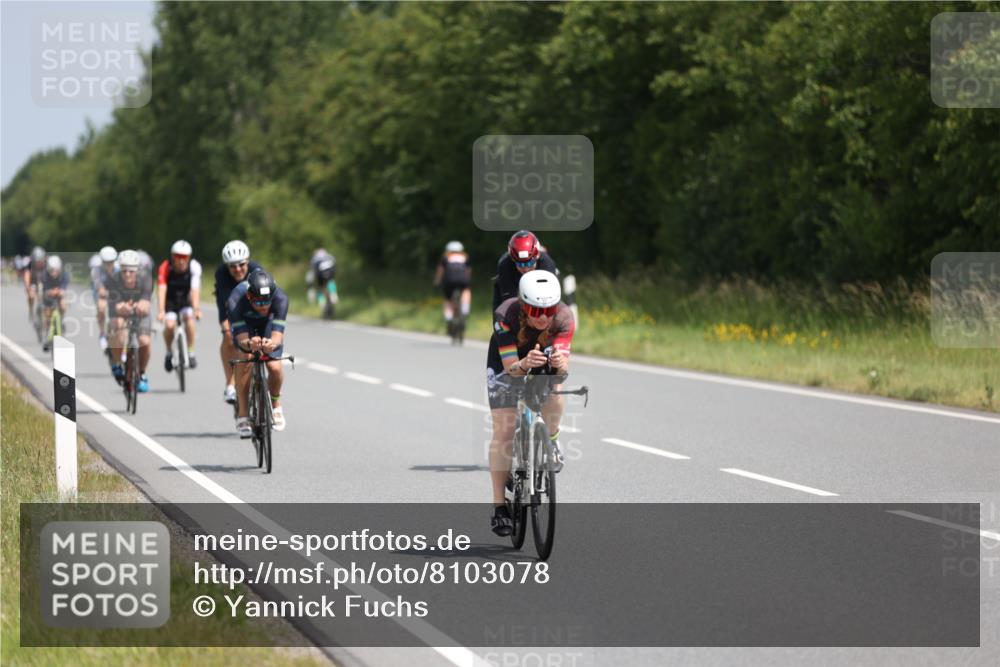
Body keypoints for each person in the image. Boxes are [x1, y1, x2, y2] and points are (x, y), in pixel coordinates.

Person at [485, 270, 575, 536]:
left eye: (549, 309)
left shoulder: (564, 318)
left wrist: (560, 365)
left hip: (541, 357)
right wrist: (524, 364)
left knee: (556, 388)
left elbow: (563, 369)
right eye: (536, 311)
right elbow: (511, 368)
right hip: (508, 361)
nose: (545, 316)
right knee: (503, 432)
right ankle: (499, 506)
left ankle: (552, 438)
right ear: (524, 305)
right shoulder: (505, 315)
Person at [227, 269, 289, 436]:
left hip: (267, 326)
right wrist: (249, 343)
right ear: (249, 296)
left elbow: (277, 337)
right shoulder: (235, 300)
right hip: (246, 328)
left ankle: (276, 405)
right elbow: (242, 340)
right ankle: (243, 414)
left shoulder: (281, 299)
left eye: (267, 302)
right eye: (258, 302)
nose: (263, 306)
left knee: (275, 367)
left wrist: (271, 344)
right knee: (246, 357)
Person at [214, 240, 263, 404]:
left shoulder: (257, 270)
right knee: (228, 337)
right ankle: (230, 384)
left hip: (255, 309)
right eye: (232, 266)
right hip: (230, 308)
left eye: (241, 264)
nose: (237, 269)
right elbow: (229, 303)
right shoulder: (221, 274)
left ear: (247, 261)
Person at [106, 250, 153, 392]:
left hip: (140, 312)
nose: (127, 274)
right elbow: (116, 306)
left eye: (131, 271)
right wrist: (123, 308)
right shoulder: (113, 280)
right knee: (117, 326)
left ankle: (142, 373)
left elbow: (146, 304)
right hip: (120, 311)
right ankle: (116, 362)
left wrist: (140, 305)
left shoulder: (145, 278)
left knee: (144, 341)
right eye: (124, 270)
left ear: (137, 270)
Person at [157, 240, 203, 371]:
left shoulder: (194, 267)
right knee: (170, 325)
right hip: (170, 300)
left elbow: (195, 290)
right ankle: (168, 353)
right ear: (173, 256)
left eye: (185, 257)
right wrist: (161, 311)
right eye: (178, 257)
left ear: (189, 258)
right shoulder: (165, 267)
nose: (182, 260)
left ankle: (191, 351)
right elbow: (161, 289)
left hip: (185, 300)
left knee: (189, 318)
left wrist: (197, 309)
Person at [491, 230, 559, 310]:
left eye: (530, 264)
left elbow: (551, 301)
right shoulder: (505, 265)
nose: (526, 269)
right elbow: (508, 303)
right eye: (521, 264)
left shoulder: (547, 264)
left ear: (537, 257)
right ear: (513, 260)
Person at [433, 241, 472, 332]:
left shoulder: (445, 257)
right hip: (463, 280)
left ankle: (449, 317)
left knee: (447, 299)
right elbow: (468, 271)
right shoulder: (465, 257)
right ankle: (465, 309)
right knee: (466, 291)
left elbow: (440, 271)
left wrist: (437, 282)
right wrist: (467, 281)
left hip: (449, 281)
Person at [90, 246, 118, 352]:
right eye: (106, 262)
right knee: (101, 307)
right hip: (102, 294)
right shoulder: (96, 271)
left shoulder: (119, 269)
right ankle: (102, 333)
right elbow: (100, 290)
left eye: (111, 262)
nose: (109, 264)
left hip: (115, 294)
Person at [40, 255, 69, 351]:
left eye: (56, 270)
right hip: (48, 297)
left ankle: (62, 320)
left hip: (59, 295)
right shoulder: (44, 275)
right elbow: (45, 291)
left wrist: (60, 292)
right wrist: (52, 292)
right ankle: (47, 333)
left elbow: (64, 289)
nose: (54, 273)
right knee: (47, 314)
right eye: (52, 270)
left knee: (63, 305)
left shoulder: (64, 275)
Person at [306, 248, 338, 314]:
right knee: (331, 280)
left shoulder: (315, 259)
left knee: (320, 287)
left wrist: (311, 287)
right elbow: (334, 265)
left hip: (320, 275)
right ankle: (333, 294)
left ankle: (322, 303)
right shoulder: (329, 256)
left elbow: (312, 271)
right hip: (330, 272)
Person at [23, 246, 47, 319]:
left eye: (41, 260)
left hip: (44, 282)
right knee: (31, 295)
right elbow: (27, 275)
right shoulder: (30, 264)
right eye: (37, 260)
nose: (39, 262)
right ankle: (31, 309)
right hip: (33, 282)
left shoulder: (47, 263)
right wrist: (27, 286)